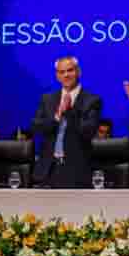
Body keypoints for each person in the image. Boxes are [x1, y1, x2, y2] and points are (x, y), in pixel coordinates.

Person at [31, 56, 102, 187]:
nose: (66, 75)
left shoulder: (92, 100)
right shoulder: (48, 99)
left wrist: (70, 112)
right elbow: (36, 126)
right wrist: (57, 117)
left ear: (78, 72)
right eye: (61, 72)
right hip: (48, 169)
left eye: (70, 70)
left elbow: (88, 130)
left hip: (76, 171)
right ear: (57, 76)